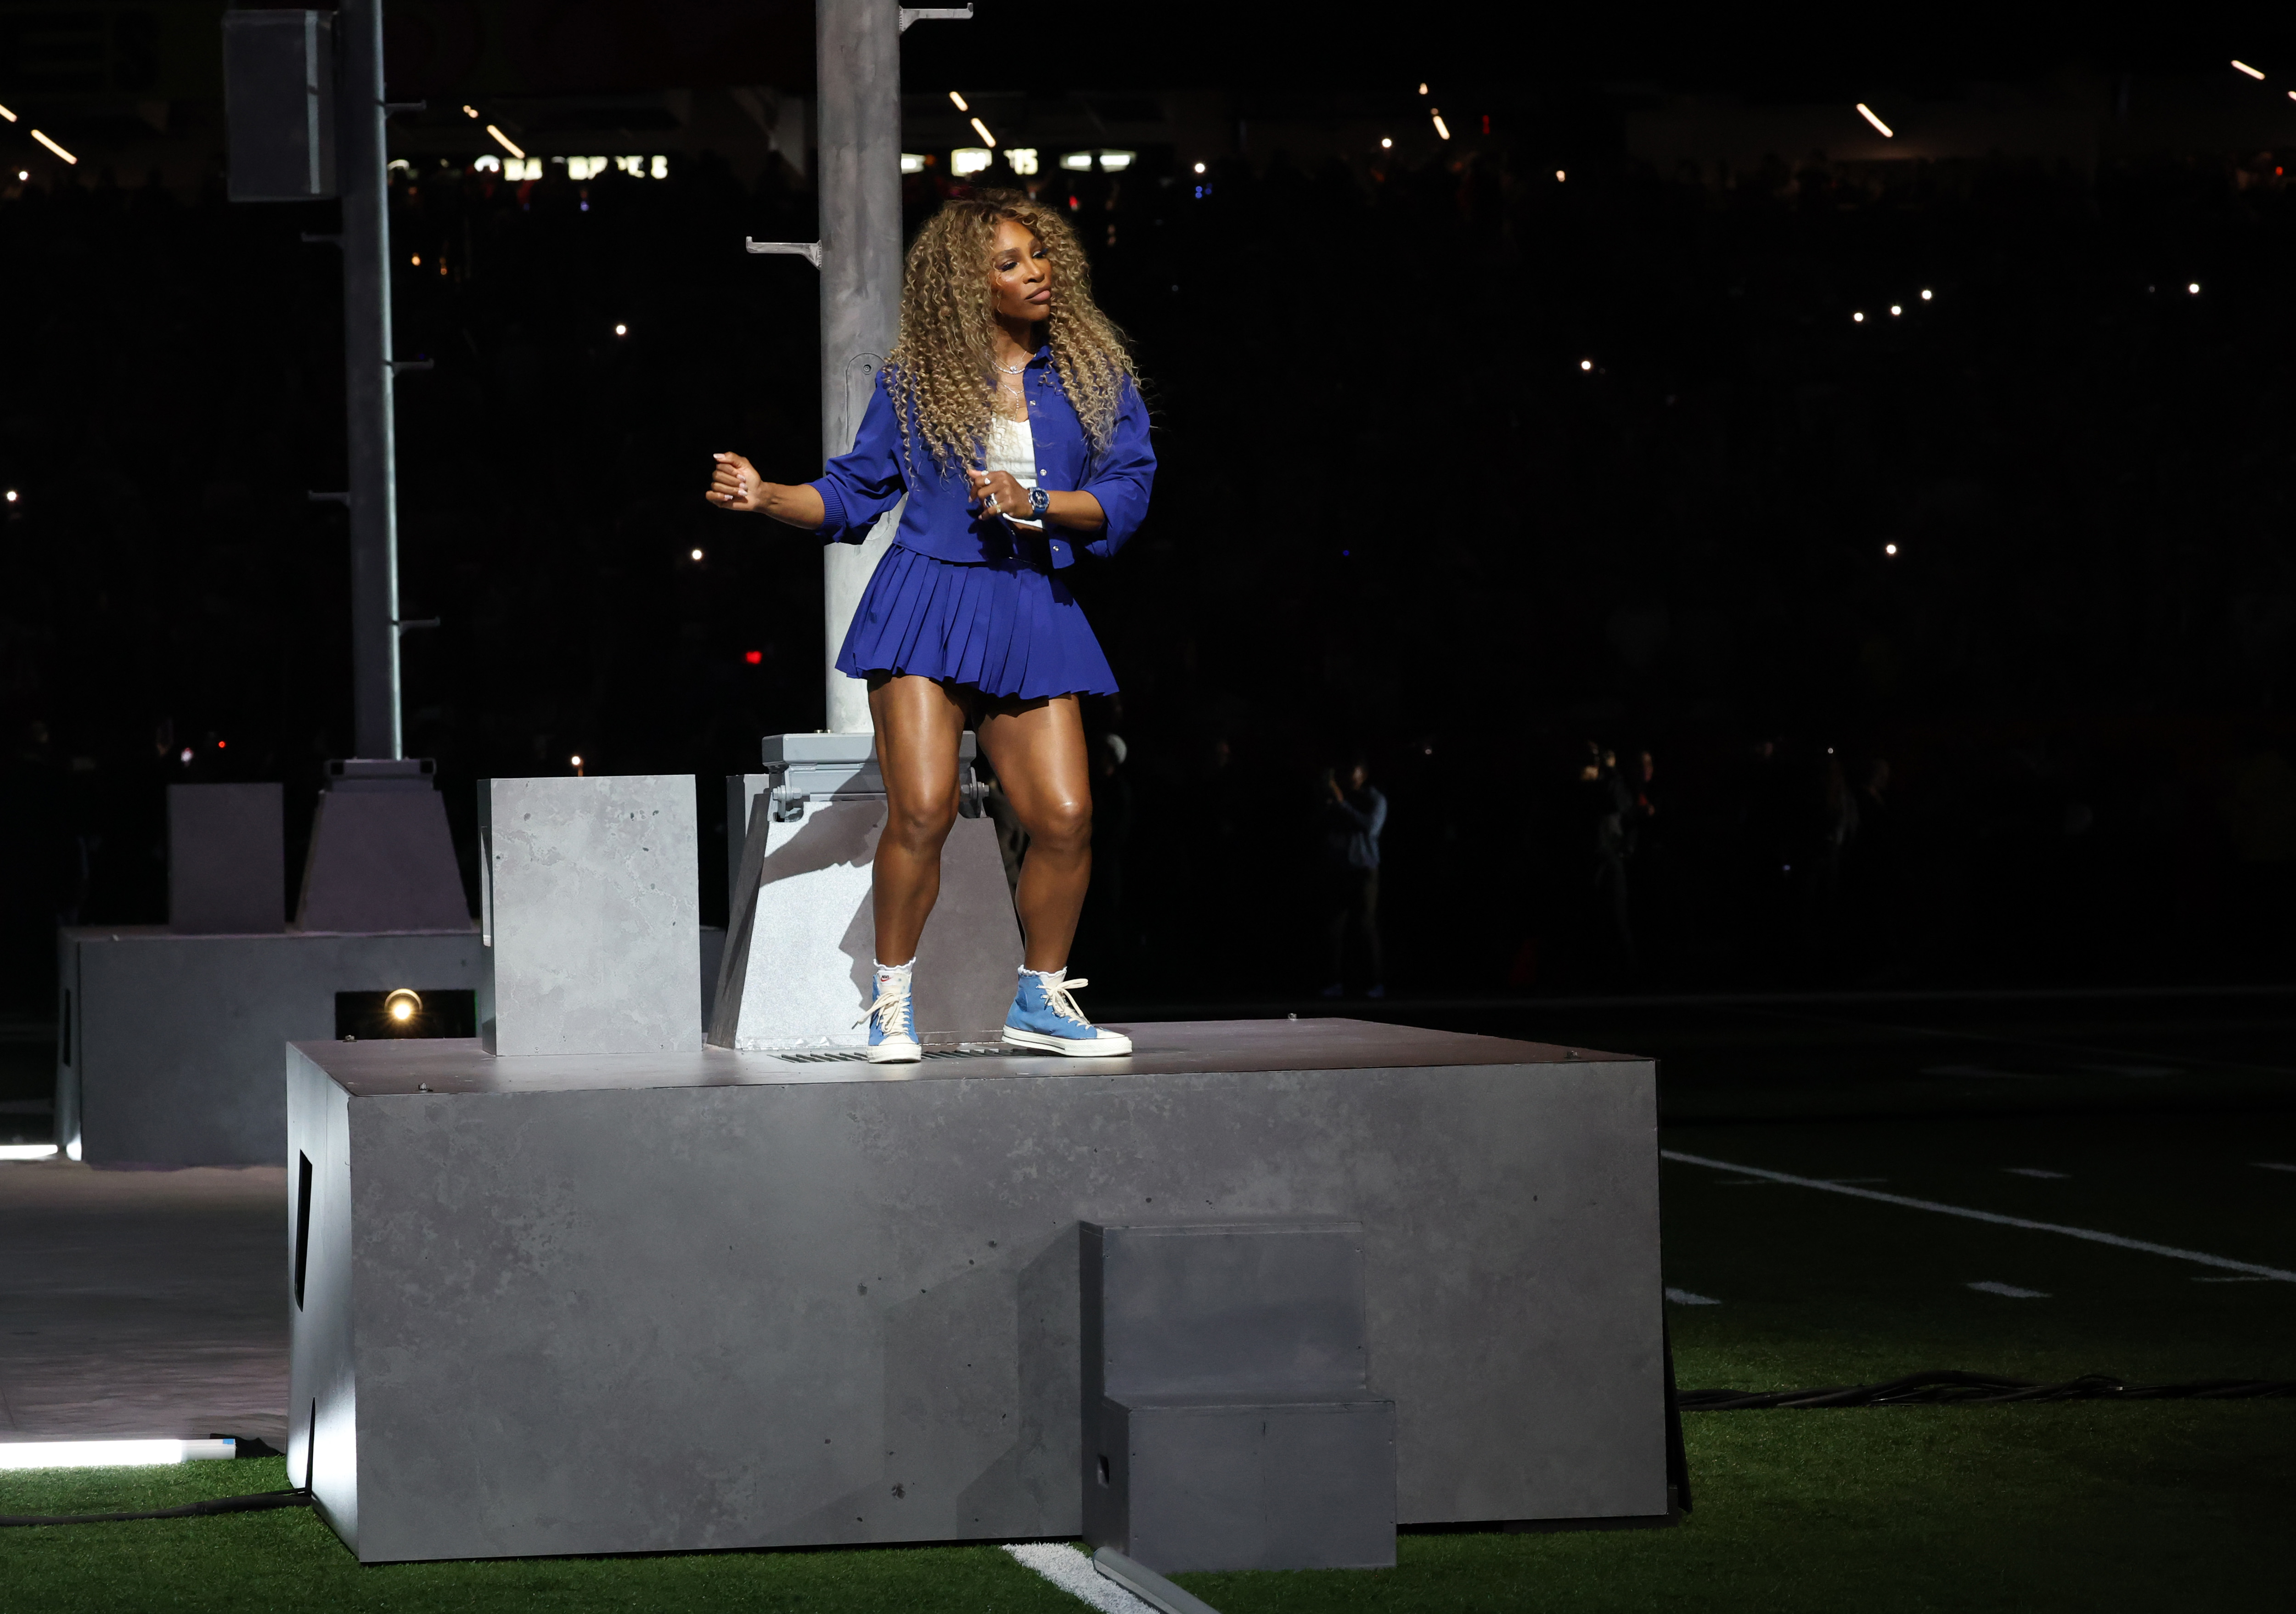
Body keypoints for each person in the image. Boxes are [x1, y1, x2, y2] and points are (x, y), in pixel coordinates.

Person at [705, 190, 1154, 1061]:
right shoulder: (915, 383)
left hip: (1031, 605)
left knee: (1065, 817)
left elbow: (1129, 492)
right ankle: (892, 1001)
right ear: (966, 285)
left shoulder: (1095, 378)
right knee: (924, 809)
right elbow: (847, 496)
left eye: (1040, 255)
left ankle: (1039, 1003)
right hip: (927, 603)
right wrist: (765, 497)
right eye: (1010, 263)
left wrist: (1043, 504)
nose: (1036, 274)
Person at [1317, 756, 1387, 998]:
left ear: (1364, 774)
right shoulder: (1340, 799)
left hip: (1365, 871)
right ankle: (1333, 982)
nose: (1349, 778)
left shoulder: (1375, 799)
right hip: (1340, 870)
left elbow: (1370, 828)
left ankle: (1374, 983)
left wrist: (1340, 802)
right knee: (1334, 928)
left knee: (1366, 926)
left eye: (1353, 772)